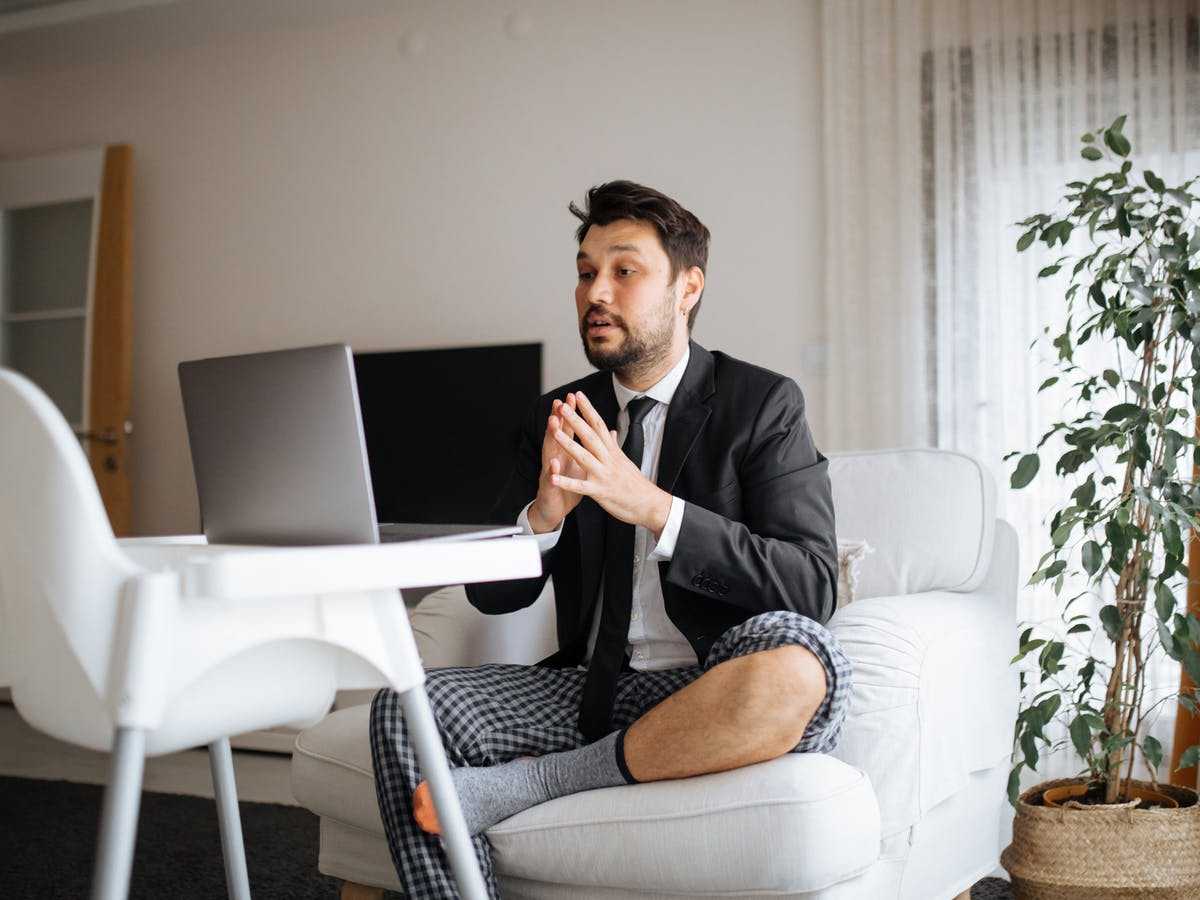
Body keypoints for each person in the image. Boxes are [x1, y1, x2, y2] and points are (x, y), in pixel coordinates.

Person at [369, 180, 852, 899]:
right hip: (589, 691)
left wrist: (655, 509)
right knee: (407, 707)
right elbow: (494, 596)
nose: (596, 292)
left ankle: (539, 781)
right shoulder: (558, 415)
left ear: (688, 288)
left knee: (801, 663)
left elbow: (811, 585)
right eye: (586, 272)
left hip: (711, 686)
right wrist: (543, 516)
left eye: (625, 271)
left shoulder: (762, 405)